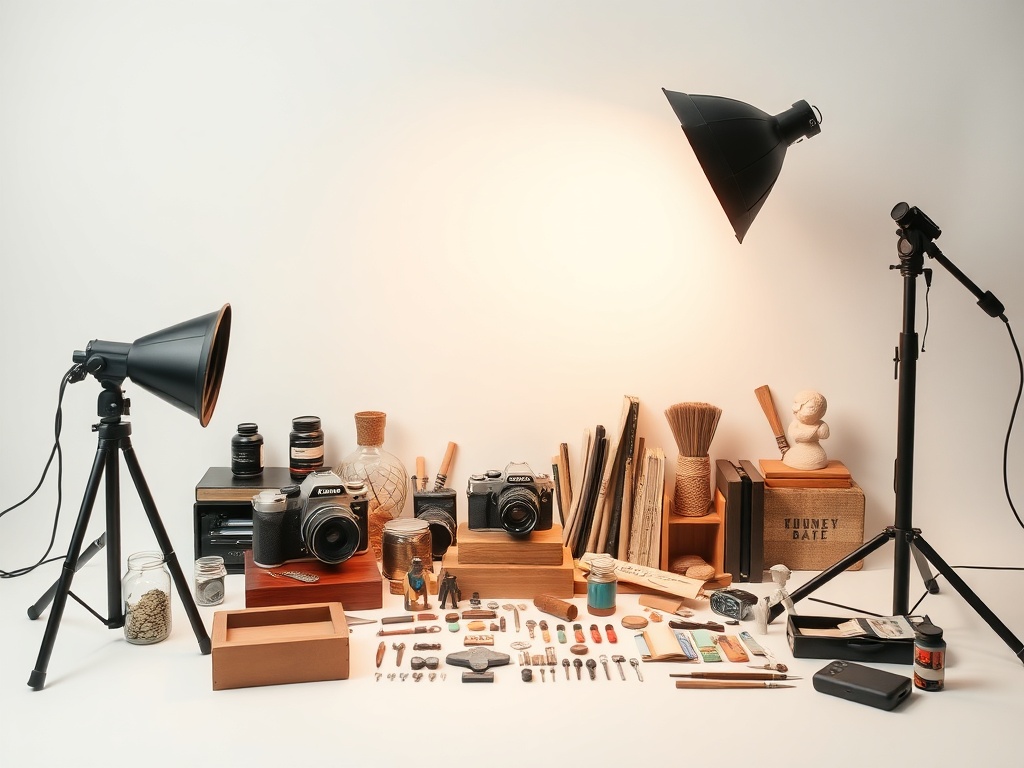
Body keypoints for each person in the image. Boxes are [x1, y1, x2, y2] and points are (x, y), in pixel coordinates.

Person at [783, 390, 830, 470]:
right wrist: (809, 432)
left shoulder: (820, 424)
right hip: (798, 451)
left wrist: (819, 429)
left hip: (816, 451)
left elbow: (824, 435)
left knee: (817, 459)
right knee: (795, 458)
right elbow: (794, 434)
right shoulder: (795, 423)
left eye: (811, 407)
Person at [755, 564, 797, 634]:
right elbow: (790, 609)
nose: (772, 576)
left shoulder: (781, 592)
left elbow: (790, 609)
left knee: (763, 605)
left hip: (776, 596)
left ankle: (762, 630)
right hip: (767, 605)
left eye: (774, 574)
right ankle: (762, 630)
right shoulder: (780, 592)